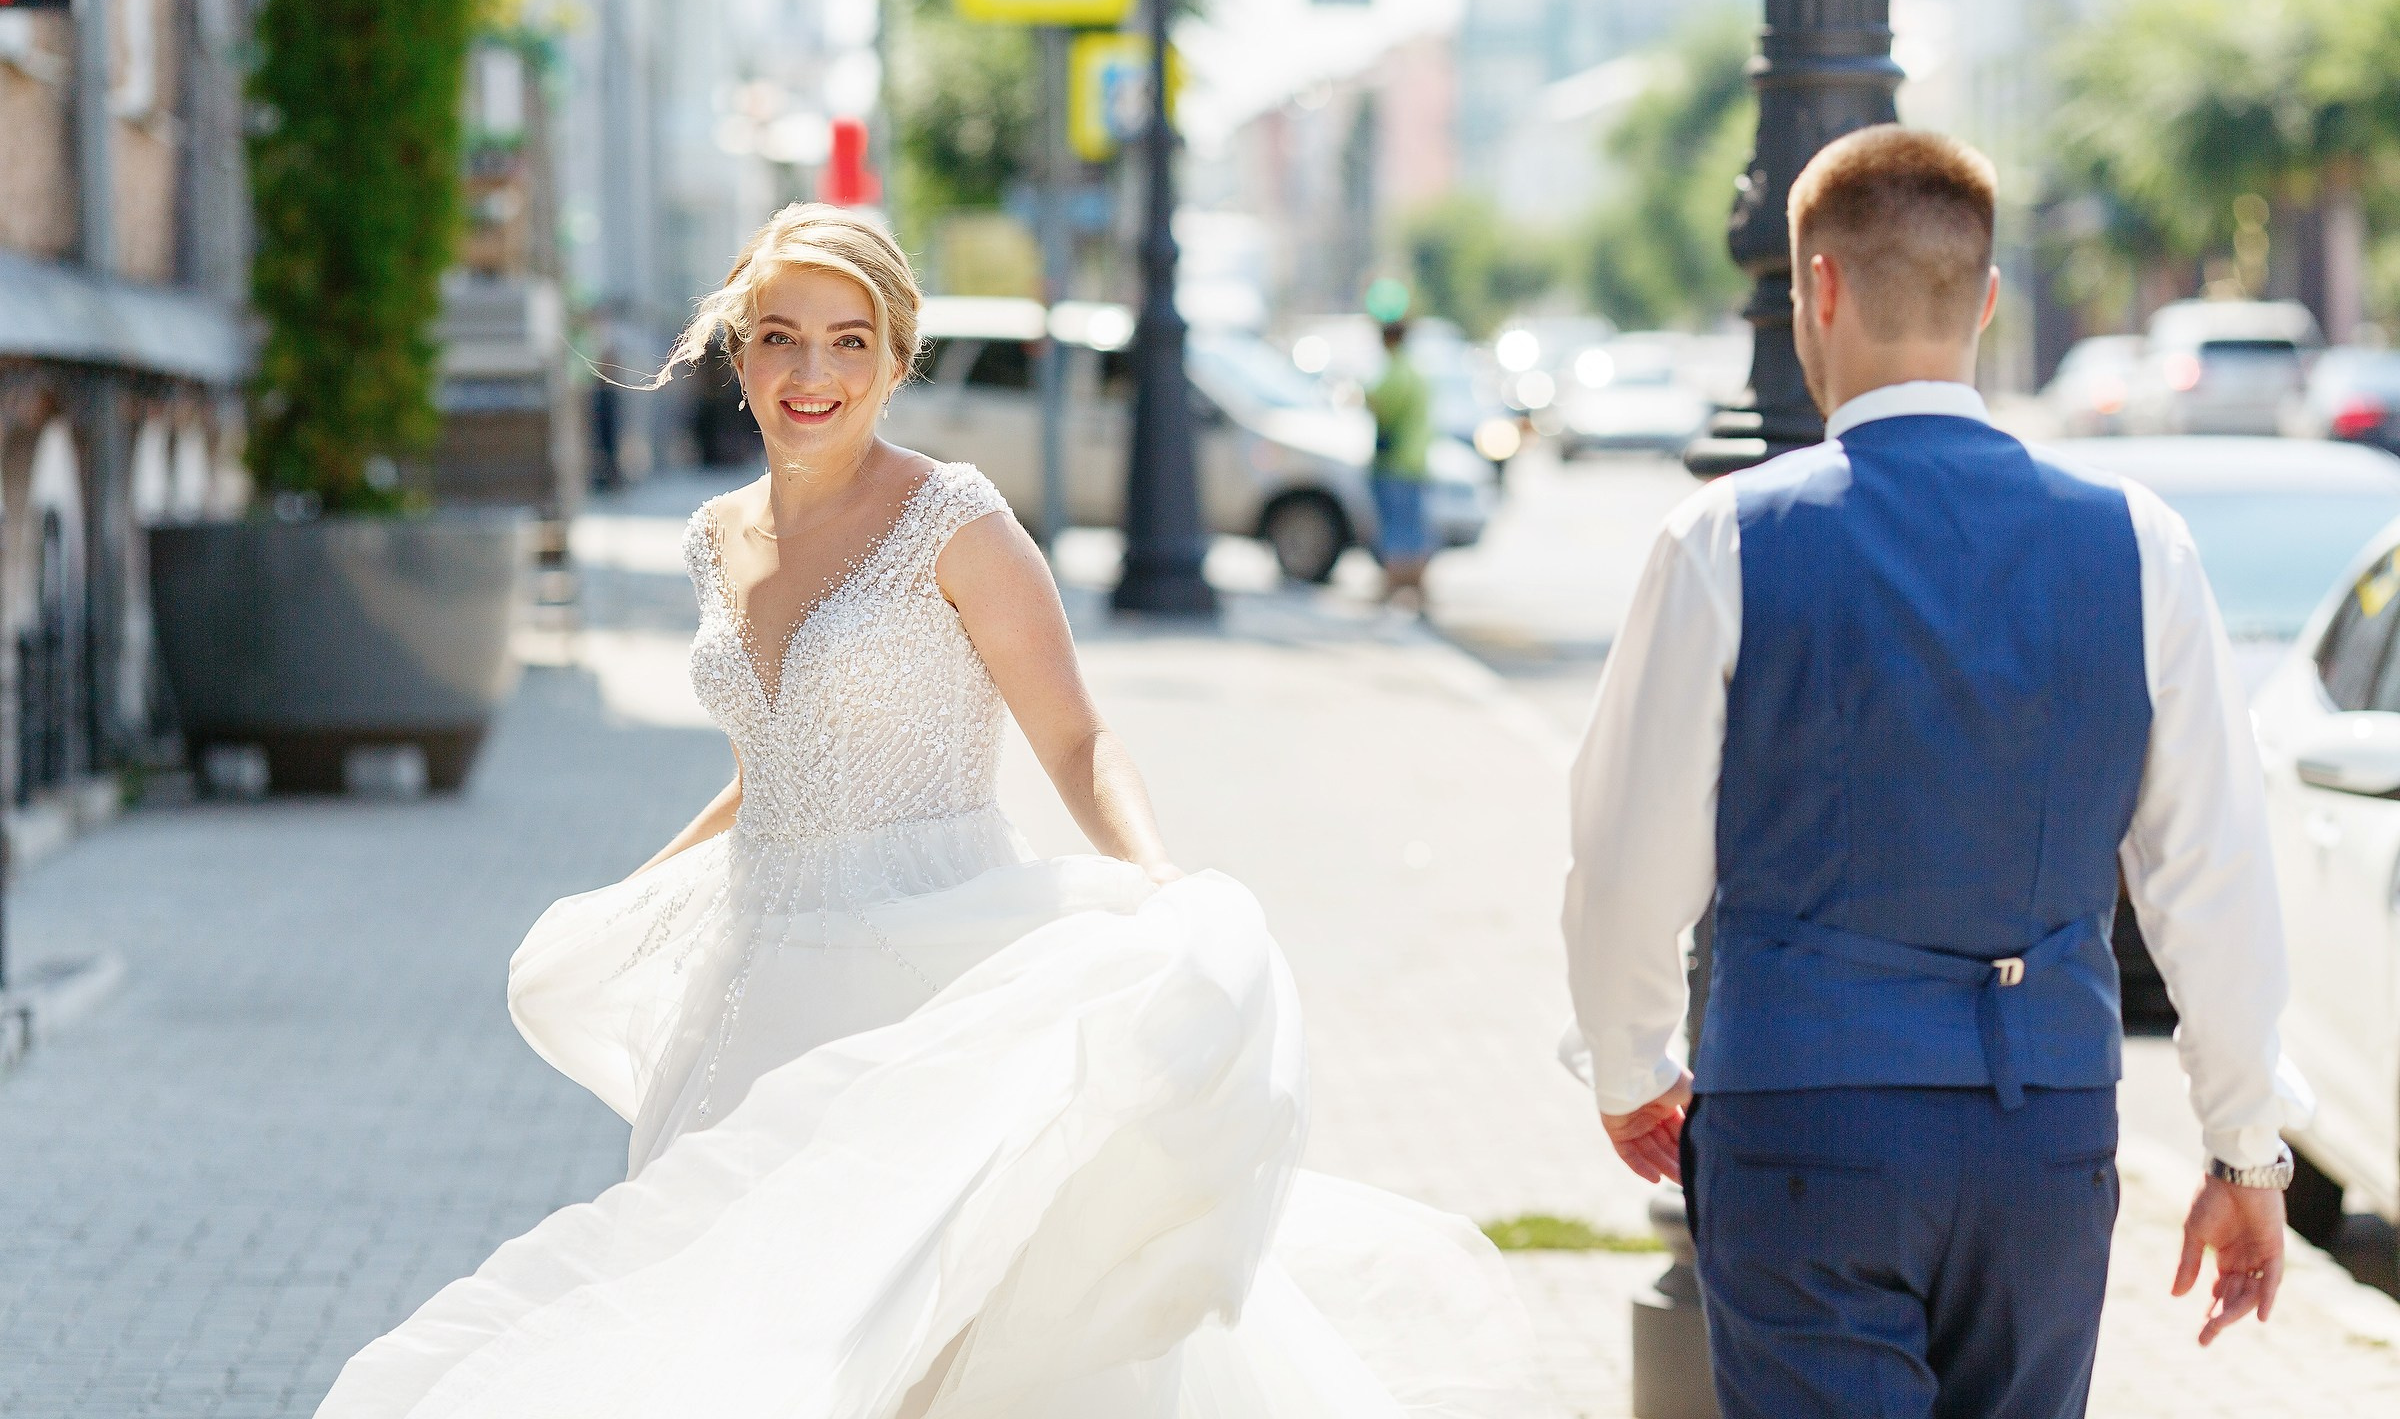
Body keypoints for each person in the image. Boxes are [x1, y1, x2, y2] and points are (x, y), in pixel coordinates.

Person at [314, 204, 1538, 1419]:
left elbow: (1075, 735)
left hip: (931, 974)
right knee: (738, 1332)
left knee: (928, 1345)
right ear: (737, 352)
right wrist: (628, 903)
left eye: (850, 342)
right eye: (781, 336)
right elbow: (772, 768)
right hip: (753, 992)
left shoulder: (957, 523)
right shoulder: (708, 538)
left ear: (898, 361)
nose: (812, 371)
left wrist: (1157, 874)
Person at [1560, 127, 2309, 1417]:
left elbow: (1628, 862)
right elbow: (2214, 876)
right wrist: (2245, 1148)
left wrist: (1631, 1066)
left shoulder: (1725, 540)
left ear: (1821, 290)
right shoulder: (2140, 545)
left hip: (1807, 1125)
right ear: (1990, 299)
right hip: (2046, 1137)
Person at [1366, 318, 1436, 609]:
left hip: (1396, 461)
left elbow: (1380, 407)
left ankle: (1391, 588)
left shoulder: (1395, 372)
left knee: (1395, 529)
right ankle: (1419, 592)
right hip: (1416, 461)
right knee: (1414, 529)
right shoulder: (1417, 372)